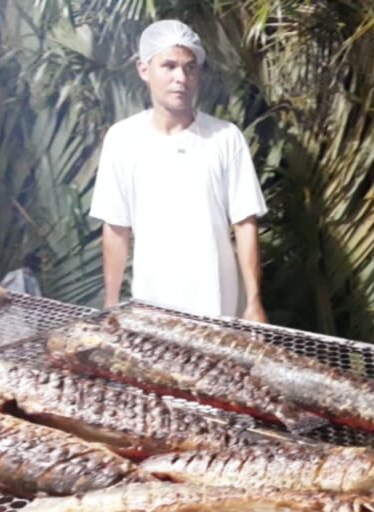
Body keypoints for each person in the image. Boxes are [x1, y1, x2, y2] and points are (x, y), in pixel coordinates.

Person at [90, 19, 269, 321]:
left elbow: (244, 223)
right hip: (152, 306)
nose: (180, 78)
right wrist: (111, 304)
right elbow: (116, 229)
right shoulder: (122, 140)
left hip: (218, 306)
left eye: (189, 67)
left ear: (199, 74)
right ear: (144, 70)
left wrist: (253, 302)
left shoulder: (225, 137)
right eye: (169, 66)